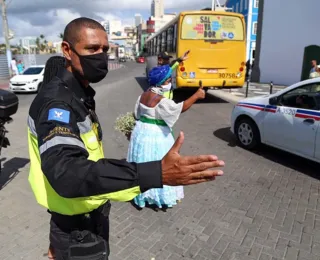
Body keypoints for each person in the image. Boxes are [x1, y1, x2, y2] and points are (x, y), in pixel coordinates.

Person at [27, 17, 224, 260]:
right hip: (76, 229)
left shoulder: (78, 94)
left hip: (82, 218)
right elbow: (67, 172)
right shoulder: (58, 103)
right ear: (67, 50)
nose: (100, 56)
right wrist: (155, 173)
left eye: (105, 49)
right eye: (92, 49)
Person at [128, 64, 206, 209]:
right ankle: (158, 196)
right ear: (160, 82)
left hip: (141, 132)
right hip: (155, 135)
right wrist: (196, 95)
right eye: (168, 80)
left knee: (144, 163)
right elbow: (179, 108)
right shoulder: (159, 99)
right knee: (160, 166)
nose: (170, 82)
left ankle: (143, 194)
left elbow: (136, 114)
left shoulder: (143, 95)